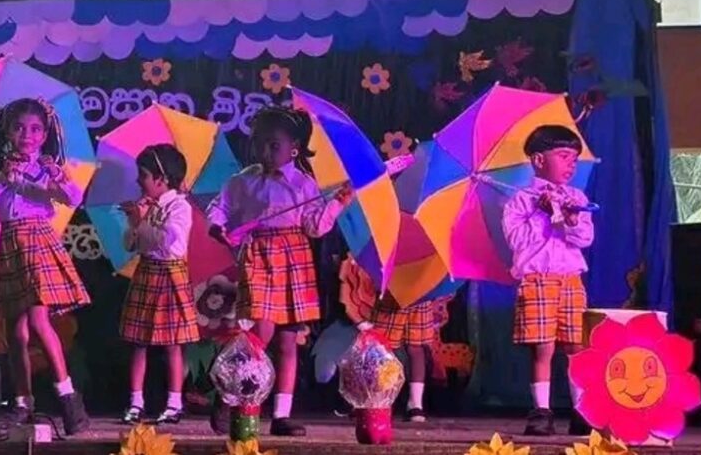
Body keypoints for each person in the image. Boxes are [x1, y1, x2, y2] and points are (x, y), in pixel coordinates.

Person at [206, 106, 352, 437]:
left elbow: (315, 227)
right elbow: (220, 209)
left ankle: (282, 415)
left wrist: (338, 201)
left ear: (294, 148)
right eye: (259, 143)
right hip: (258, 256)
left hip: (293, 259)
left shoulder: (304, 184)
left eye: (274, 145)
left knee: (287, 342)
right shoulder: (243, 181)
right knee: (259, 335)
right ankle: (232, 397)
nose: (265, 151)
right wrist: (218, 228)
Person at [0, 98, 91, 435]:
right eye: (19, 128)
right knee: (15, 332)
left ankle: (68, 396)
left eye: (35, 129)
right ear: (7, 131)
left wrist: (50, 177)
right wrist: (1, 178)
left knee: (38, 320)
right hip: (10, 244)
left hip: (37, 240)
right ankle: (23, 402)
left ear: (45, 134)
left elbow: (72, 197)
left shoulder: (45, 167)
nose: (27, 135)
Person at [502, 124, 594, 437]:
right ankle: (541, 411)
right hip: (538, 279)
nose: (571, 164)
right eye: (564, 156)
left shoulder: (576, 197)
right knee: (543, 347)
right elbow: (517, 241)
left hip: (570, 279)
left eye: (574, 159)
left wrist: (569, 218)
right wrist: (540, 214)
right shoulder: (520, 201)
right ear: (539, 160)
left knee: (576, 345)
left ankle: (581, 409)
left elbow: (585, 238)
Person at [117, 144, 199, 425]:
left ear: (161, 179)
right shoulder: (145, 205)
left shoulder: (180, 206)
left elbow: (169, 242)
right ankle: (135, 402)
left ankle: (174, 404)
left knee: (173, 344)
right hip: (147, 273)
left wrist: (142, 222)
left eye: (143, 175)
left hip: (170, 274)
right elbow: (130, 245)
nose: (139, 181)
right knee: (138, 342)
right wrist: (133, 222)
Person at [361, 293, 452, 422]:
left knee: (415, 347)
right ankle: (380, 400)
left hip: (418, 299)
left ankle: (415, 404)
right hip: (393, 299)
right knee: (384, 348)